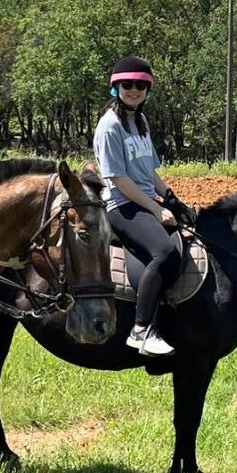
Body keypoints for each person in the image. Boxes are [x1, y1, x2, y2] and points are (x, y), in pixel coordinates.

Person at [92, 56, 194, 356]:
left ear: (147, 90)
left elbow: (149, 170)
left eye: (140, 85)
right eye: (127, 85)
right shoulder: (109, 126)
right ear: (116, 88)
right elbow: (119, 179)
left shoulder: (141, 121)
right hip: (121, 207)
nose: (134, 90)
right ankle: (141, 329)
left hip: (144, 200)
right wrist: (155, 208)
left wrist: (173, 199)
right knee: (165, 253)